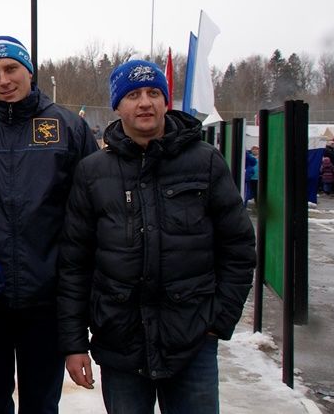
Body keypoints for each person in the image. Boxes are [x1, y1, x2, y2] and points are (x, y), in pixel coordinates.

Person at [59, 59, 256, 413]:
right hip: (120, 341)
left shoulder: (206, 162)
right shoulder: (92, 172)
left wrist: (218, 321)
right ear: (117, 106)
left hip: (192, 341)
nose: (145, 103)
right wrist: (75, 343)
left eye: (153, 92)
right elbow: (75, 263)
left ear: (166, 101)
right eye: (133, 95)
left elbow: (238, 248)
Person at [0, 35, 98, 413]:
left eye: (11, 69)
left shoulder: (67, 127)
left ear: (29, 71)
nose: (4, 80)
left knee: (41, 403)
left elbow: (90, 209)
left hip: (47, 297)